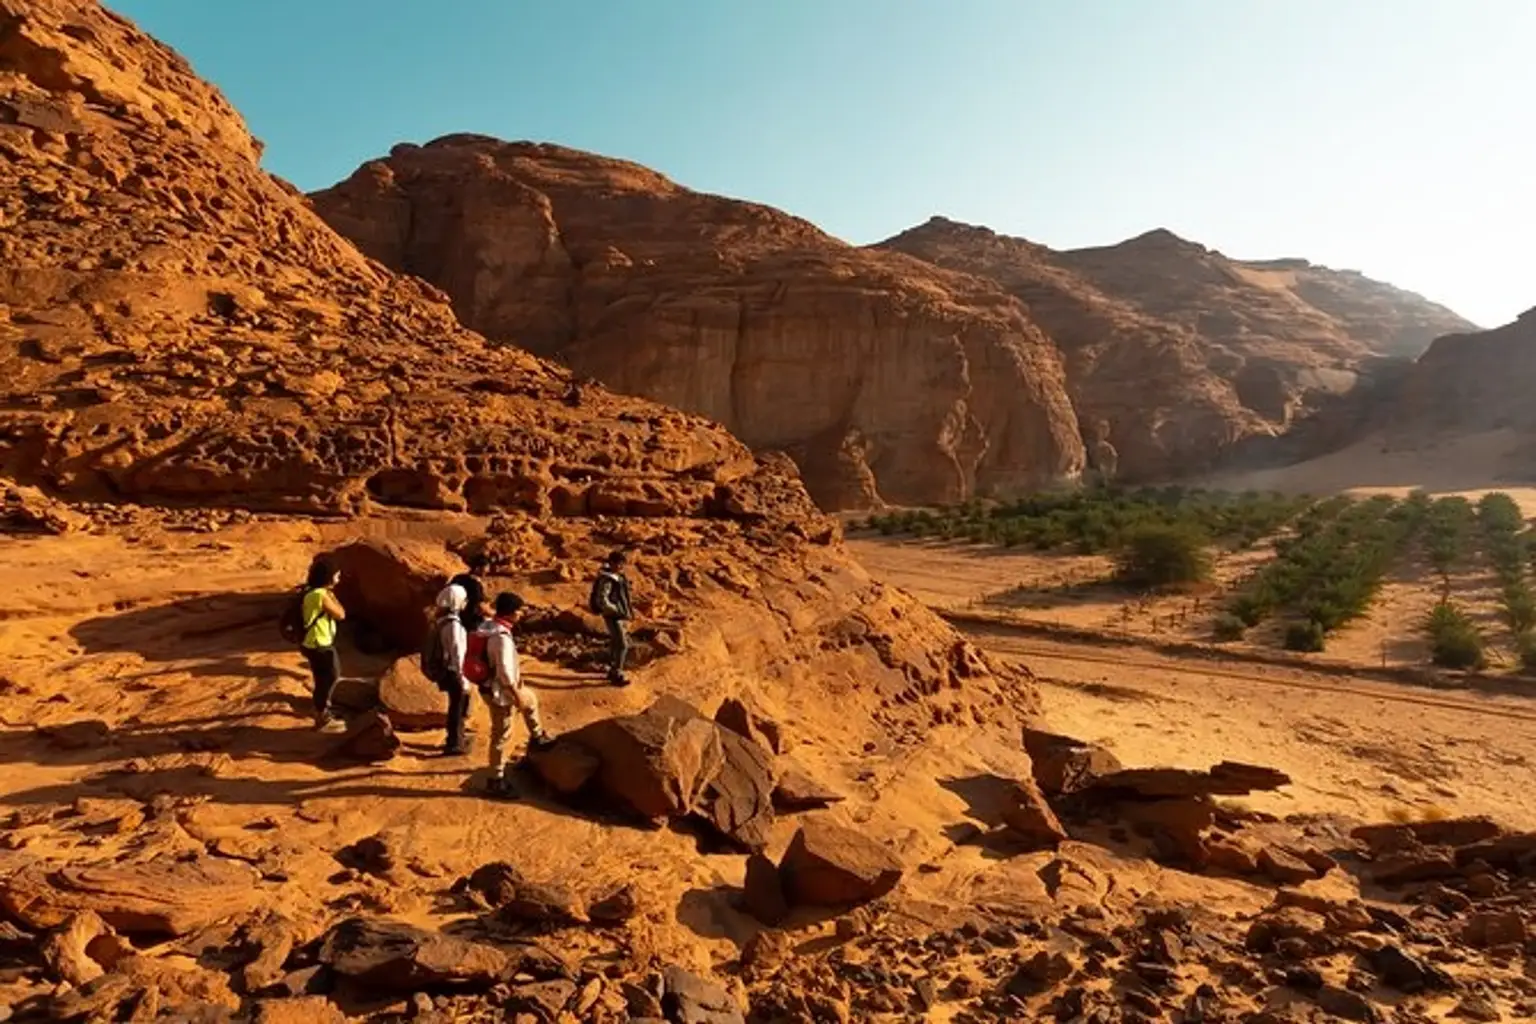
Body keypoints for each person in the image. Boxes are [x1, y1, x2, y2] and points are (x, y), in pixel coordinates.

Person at [479, 592, 555, 795]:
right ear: (512, 613)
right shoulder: (500, 638)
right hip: (502, 693)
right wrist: (515, 693)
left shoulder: (488, 626)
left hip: (491, 687)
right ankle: (496, 779)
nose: (522, 614)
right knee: (502, 735)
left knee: (531, 700)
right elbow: (504, 671)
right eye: (520, 610)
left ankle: (537, 736)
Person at [299, 557, 347, 732]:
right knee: (331, 676)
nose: (339, 579)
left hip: (311, 642)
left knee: (322, 678)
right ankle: (322, 716)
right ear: (328, 577)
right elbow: (341, 614)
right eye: (337, 575)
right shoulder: (320, 595)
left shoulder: (311, 592)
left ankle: (321, 710)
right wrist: (332, 597)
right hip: (320, 643)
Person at [431, 583, 473, 756]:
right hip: (454, 670)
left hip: (446, 670)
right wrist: (462, 676)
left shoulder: (441, 621)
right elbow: (457, 652)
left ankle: (456, 738)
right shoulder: (453, 625)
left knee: (455, 705)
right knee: (457, 706)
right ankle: (454, 743)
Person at [589, 551, 634, 686]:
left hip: (618, 615)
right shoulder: (607, 579)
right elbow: (603, 600)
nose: (621, 566)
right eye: (619, 563)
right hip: (613, 616)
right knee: (622, 644)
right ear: (612, 563)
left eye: (622, 564)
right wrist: (617, 611)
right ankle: (617, 673)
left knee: (616, 642)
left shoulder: (617, 577)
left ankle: (612, 669)